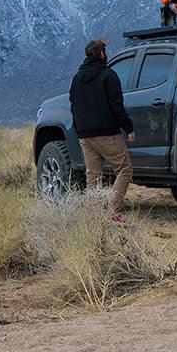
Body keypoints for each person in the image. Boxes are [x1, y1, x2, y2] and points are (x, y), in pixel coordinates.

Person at [68, 38, 135, 220]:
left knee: (93, 177)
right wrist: (128, 128)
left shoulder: (77, 78)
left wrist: (79, 130)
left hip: (85, 136)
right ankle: (114, 211)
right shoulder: (108, 75)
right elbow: (117, 106)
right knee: (124, 170)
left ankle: (94, 216)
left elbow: (73, 106)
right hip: (107, 134)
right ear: (102, 54)